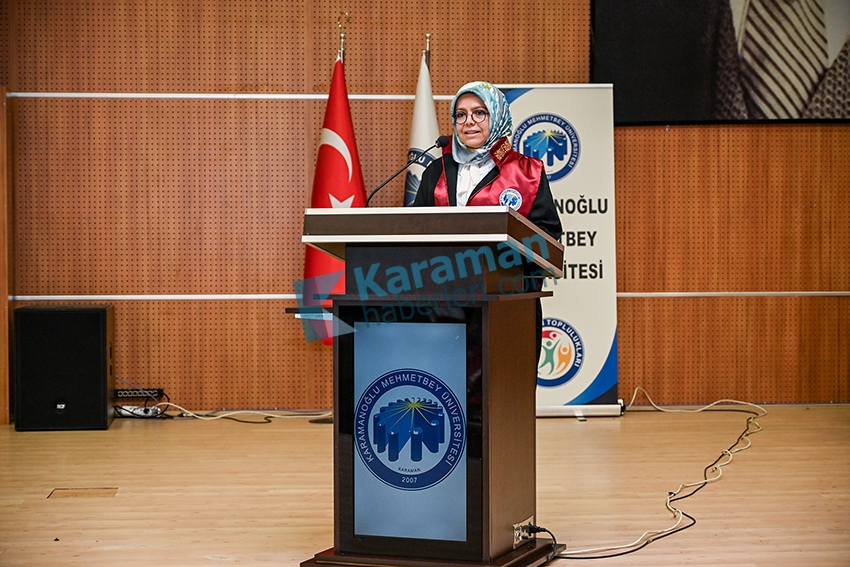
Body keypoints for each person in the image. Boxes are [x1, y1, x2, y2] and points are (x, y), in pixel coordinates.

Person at [411, 80, 563, 362]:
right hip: (442, 307)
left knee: (501, 380)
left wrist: (499, 261)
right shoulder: (436, 170)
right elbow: (414, 230)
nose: (469, 122)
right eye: (461, 114)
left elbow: (548, 236)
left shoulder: (526, 172)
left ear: (498, 116)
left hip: (506, 301)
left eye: (479, 113)